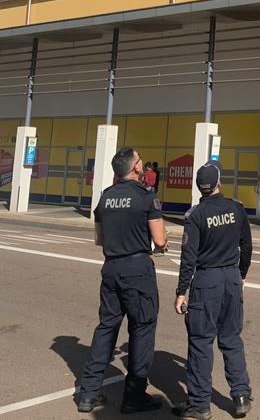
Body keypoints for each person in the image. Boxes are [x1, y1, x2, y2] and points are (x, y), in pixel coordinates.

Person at [75, 147, 168, 415]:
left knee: (107, 327)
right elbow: (160, 240)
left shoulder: (105, 198)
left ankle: (89, 393)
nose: (142, 165)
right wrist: (164, 243)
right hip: (137, 269)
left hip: (111, 267)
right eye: (140, 160)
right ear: (136, 168)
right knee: (142, 328)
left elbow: (99, 240)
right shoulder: (146, 197)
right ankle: (134, 396)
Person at [173, 162, 253, 420]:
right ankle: (240, 396)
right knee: (231, 339)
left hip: (207, 281)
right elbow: (247, 247)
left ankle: (199, 404)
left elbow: (188, 257)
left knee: (200, 342)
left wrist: (181, 291)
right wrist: (240, 275)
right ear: (219, 183)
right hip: (230, 278)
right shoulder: (236, 209)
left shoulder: (195, 215)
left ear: (200, 187)